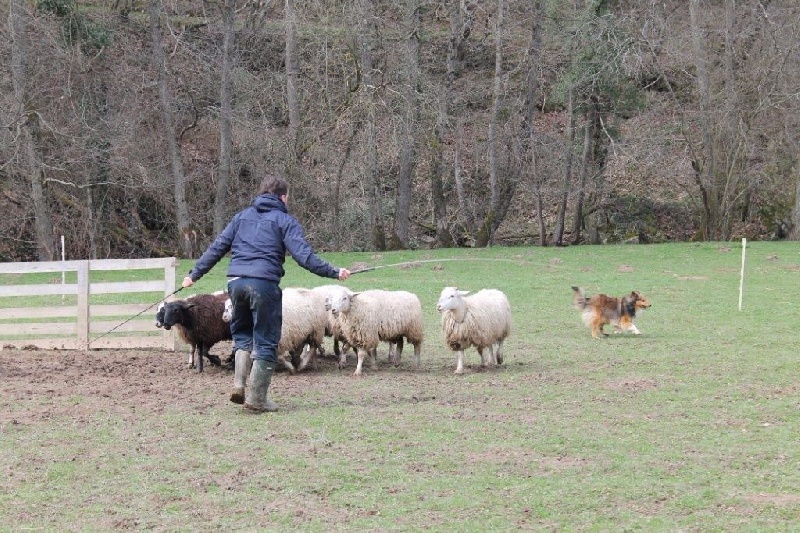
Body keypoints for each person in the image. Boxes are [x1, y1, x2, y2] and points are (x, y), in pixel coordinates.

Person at [182, 175, 350, 414]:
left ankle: (239, 384)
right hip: (264, 284)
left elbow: (217, 247)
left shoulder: (241, 217)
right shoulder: (285, 220)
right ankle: (257, 398)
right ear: (283, 196)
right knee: (267, 340)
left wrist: (194, 274)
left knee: (241, 335)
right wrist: (334, 272)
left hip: (236, 283)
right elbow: (304, 257)